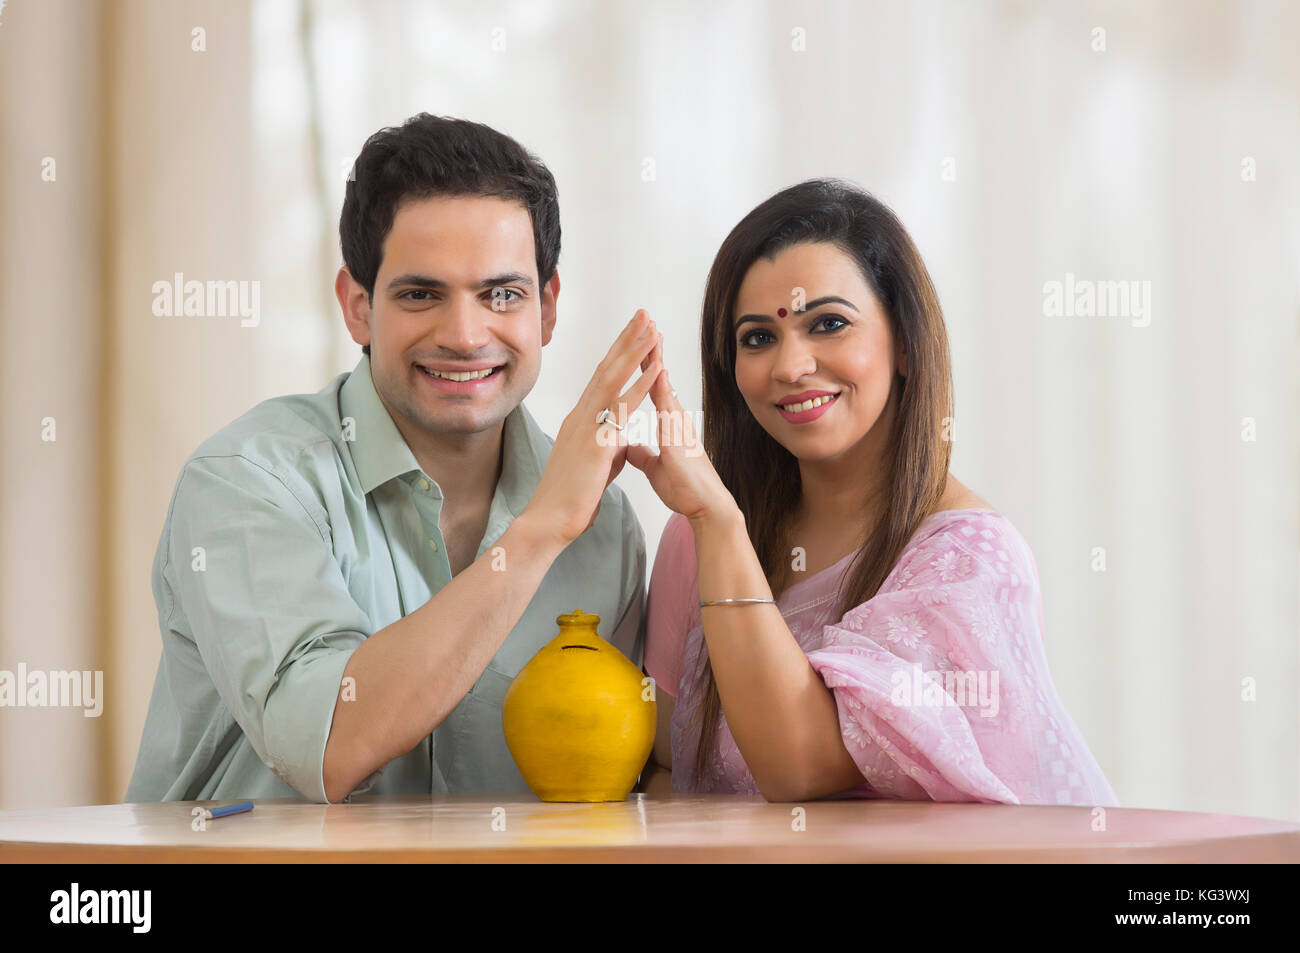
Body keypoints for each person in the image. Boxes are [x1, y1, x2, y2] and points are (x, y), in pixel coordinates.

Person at [126, 114, 665, 804]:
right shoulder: (246, 479)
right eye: (420, 294)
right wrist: (541, 530)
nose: (466, 335)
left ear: (548, 309)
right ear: (357, 306)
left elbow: (604, 793)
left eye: (502, 294)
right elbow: (330, 744)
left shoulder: (603, 526)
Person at [629, 179, 1119, 805]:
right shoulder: (696, 539)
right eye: (758, 337)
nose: (790, 366)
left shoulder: (968, 563)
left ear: (906, 345)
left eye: (828, 324)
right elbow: (668, 771)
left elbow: (801, 768)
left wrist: (719, 525)